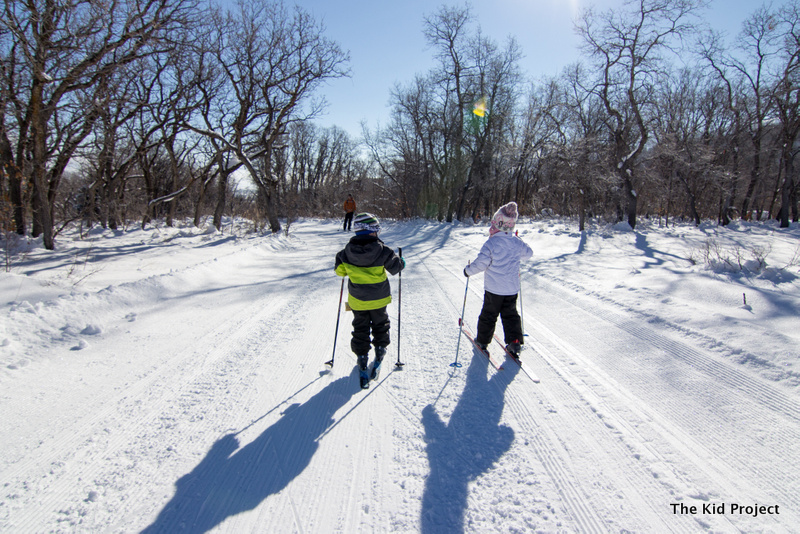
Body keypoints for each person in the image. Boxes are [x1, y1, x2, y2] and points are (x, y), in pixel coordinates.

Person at [335, 213, 405, 389]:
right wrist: (401, 260)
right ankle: (380, 348)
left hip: (357, 300)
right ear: (373, 231)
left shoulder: (344, 253)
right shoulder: (383, 251)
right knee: (381, 324)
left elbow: (340, 272)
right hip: (379, 299)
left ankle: (362, 355)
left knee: (360, 326)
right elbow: (396, 268)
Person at [463, 201, 532, 358]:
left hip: (494, 290)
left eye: (493, 224)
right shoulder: (516, 242)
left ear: (497, 225)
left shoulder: (491, 243)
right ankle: (514, 342)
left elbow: (481, 263)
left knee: (489, 314)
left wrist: (468, 271)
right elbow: (528, 253)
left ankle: (482, 341)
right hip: (511, 289)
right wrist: (519, 241)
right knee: (511, 315)